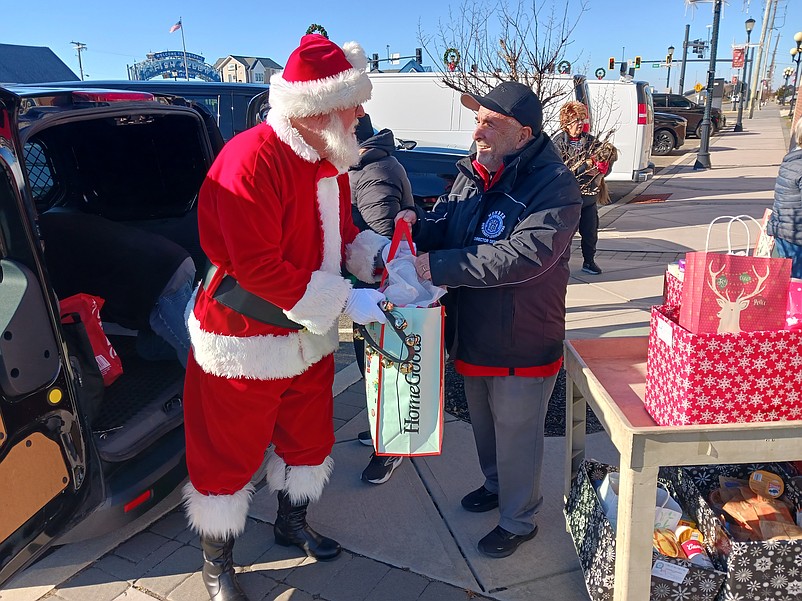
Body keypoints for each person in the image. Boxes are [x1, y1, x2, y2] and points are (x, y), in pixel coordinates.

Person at [182, 34, 391, 601]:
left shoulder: (330, 159)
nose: (362, 112)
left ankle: (290, 523)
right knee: (229, 450)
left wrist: (376, 260)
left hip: (306, 331)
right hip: (242, 332)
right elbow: (257, 268)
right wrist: (348, 302)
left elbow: (341, 235)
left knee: (308, 438)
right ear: (318, 106)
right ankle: (216, 561)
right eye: (354, 101)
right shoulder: (251, 158)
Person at [395, 81, 582, 558]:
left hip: (522, 336)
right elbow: (451, 224)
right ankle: (497, 487)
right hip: (472, 331)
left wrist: (439, 266)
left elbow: (526, 256)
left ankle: (519, 519)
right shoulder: (472, 174)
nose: (477, 130)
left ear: (523, 134)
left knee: (518, 434)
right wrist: (417, 226)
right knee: (483, 423)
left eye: (490, 123)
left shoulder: (554, 185)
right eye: (477, 119)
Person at [349, 114, 415, 485]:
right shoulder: (372, 162)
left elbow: (379, 245)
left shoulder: (371, 172)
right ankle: (381, 429)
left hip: (378, 292)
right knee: (376, 368)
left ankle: (390, 447)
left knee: (381, 369)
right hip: (377, 292)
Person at [38, 209, 194, 367]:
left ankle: (209, 386)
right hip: (168, 262)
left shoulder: (48, 246)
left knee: (197, 355)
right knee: (148, 349)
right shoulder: (55, 222)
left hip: (161, 281)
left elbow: (62, 303)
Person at [552, 100, 614, 276]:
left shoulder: (592, 142)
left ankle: (589, 261)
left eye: (581, 119)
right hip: (566, 199)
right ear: (566, 122)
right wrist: (585, 167)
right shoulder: (557, 143)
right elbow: (558, 169)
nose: (580, 123)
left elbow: (605, 161)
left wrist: (604, 168)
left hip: (588, 197)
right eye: (575, 120)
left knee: (590, 232)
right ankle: (558, 264)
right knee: (563, 235)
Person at [767, 117, 802, 278]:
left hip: (784, 230)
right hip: (795, 235)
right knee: (796, 285)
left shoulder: (792, 160)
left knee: (790, 282)